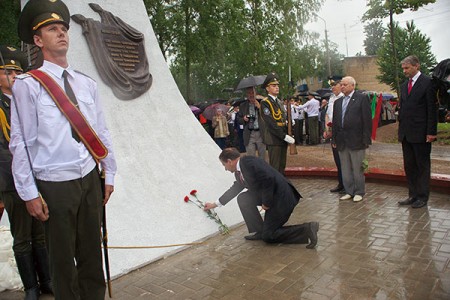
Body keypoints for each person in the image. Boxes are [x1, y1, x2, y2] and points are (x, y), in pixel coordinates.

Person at [10, 0, 117, 299]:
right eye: (51, 29)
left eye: (63, 29)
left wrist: (109, 174)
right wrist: (29, 192)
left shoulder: (86, 84)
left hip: (88, 178)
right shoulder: (28, 85)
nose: (61, 34)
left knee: (92, 256)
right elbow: (21, 142)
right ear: (37, 40)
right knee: (61, 261)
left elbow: (101, 133)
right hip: (54, 184)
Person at [0, 45, 52, 299]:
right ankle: (31, 287)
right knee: (22, 237)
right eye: (6, 71)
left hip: (38, 177)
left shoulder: (28, 100)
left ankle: (47, 281)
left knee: (40, 234)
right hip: (10, 180)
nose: (12, 75)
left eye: (16, 71)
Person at [203, 148, 319, 248]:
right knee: (244, 198)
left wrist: (266, 203)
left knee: (269, 236)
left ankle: (307, 229)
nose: (225, 169)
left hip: (281, 199)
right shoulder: (240, 171)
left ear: (229, 161)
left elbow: (268, 180)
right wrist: (215, 204)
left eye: (224, 165)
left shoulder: (249, 163)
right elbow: (235, 189)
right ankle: (259, 231)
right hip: (273, 196)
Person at [397, 55, 437, 209]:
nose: (404, 71)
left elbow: (431, 109)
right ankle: (412, 195)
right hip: (406, 133)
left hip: (421, 133)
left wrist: (431, 132)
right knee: (409, 165)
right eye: (403, 68)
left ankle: (422, 196)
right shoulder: (404, 85)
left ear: (416, 66)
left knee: (422, 165)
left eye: (407, 68)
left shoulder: (427, 83)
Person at [331, 76, 372, 202]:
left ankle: (359, 191)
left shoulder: (361, 98)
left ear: (352, 86)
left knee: (357, 167)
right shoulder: (338, 102)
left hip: (357, 140)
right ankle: (349, 190)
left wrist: (366, 139)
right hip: (342, 141)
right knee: (345, 167)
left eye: (344, 84)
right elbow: (336, 122)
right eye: (341, 84)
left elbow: (367, 120)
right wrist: (334, 139)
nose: (341, 86)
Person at [260, 72, 295, 175]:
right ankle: (275, 189)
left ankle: (281, 187)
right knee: (275, 167)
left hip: (282, 138)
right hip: (274, 138)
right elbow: (271, 123)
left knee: (282, 166)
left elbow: (282, 119)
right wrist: (284, 136)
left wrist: (289, 123)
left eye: (277, 85)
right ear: (267, 88)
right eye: (273, 85)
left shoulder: (279, 102)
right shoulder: (265, 103)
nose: (277, 88)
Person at [324, 80, 344, 193]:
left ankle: (346, 184)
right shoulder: (332, 98)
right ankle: (341, 183)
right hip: (332, 132)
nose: (332, 88)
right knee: (337, 159)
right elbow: (327, 115)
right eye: (331, 86)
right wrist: (327, 129)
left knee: (343, 160)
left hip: (341, 133)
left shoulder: (343, 98)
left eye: (334, 86)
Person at [238, 86, 266, 160]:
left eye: (252, 92)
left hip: (261, 133)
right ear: (246, 95)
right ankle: (252, 171)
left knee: (262, 157)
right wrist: (243, 119)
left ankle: (262, 171)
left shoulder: (262, 103)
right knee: (251, 158)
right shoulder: (243, 105)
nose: (251, 95)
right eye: (249, 93)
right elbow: (239, 119)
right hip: (249, 134)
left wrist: (259, 107)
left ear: (255, 93)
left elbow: (267, 116)